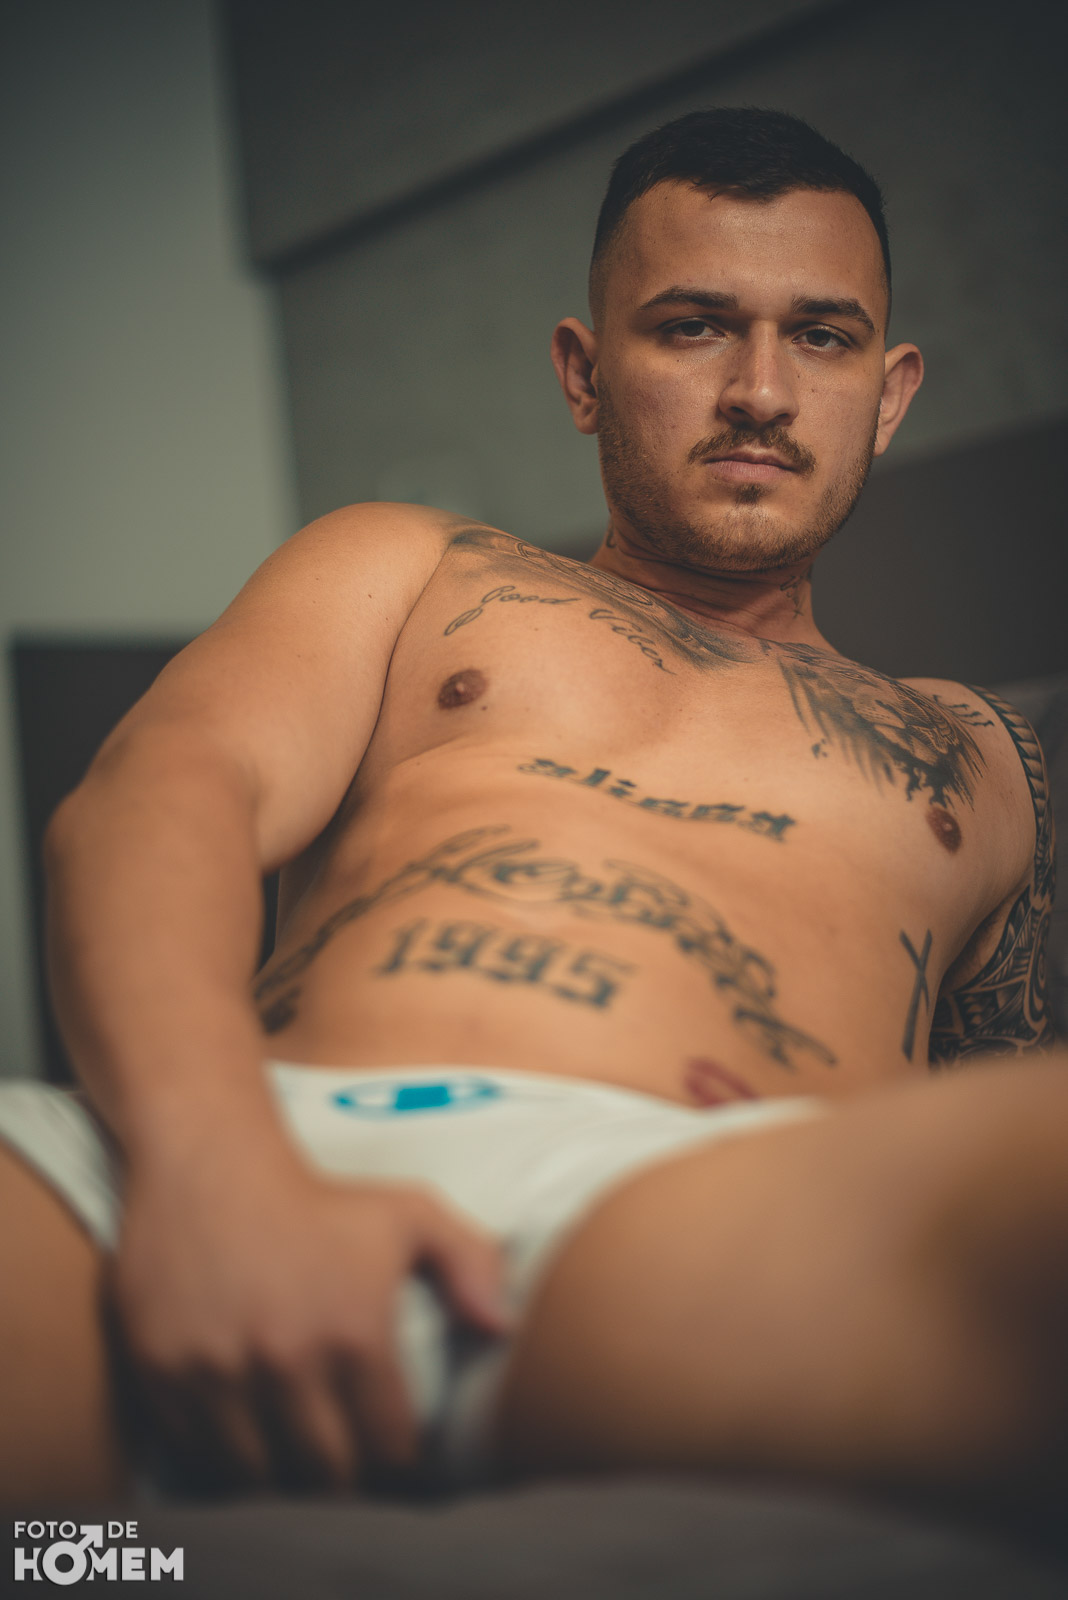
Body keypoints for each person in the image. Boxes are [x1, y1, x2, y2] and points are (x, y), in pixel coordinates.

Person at [0, 108, 1061, 1516]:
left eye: (822, 336)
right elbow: (159, 795)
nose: (760, 390)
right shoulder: (407, 564)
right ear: (584, 370)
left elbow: (968, 1128)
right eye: (693, 327)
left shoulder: (977, 754)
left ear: (890, 389)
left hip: (679, 1222)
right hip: (229, 1137)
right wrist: (214, 1177)